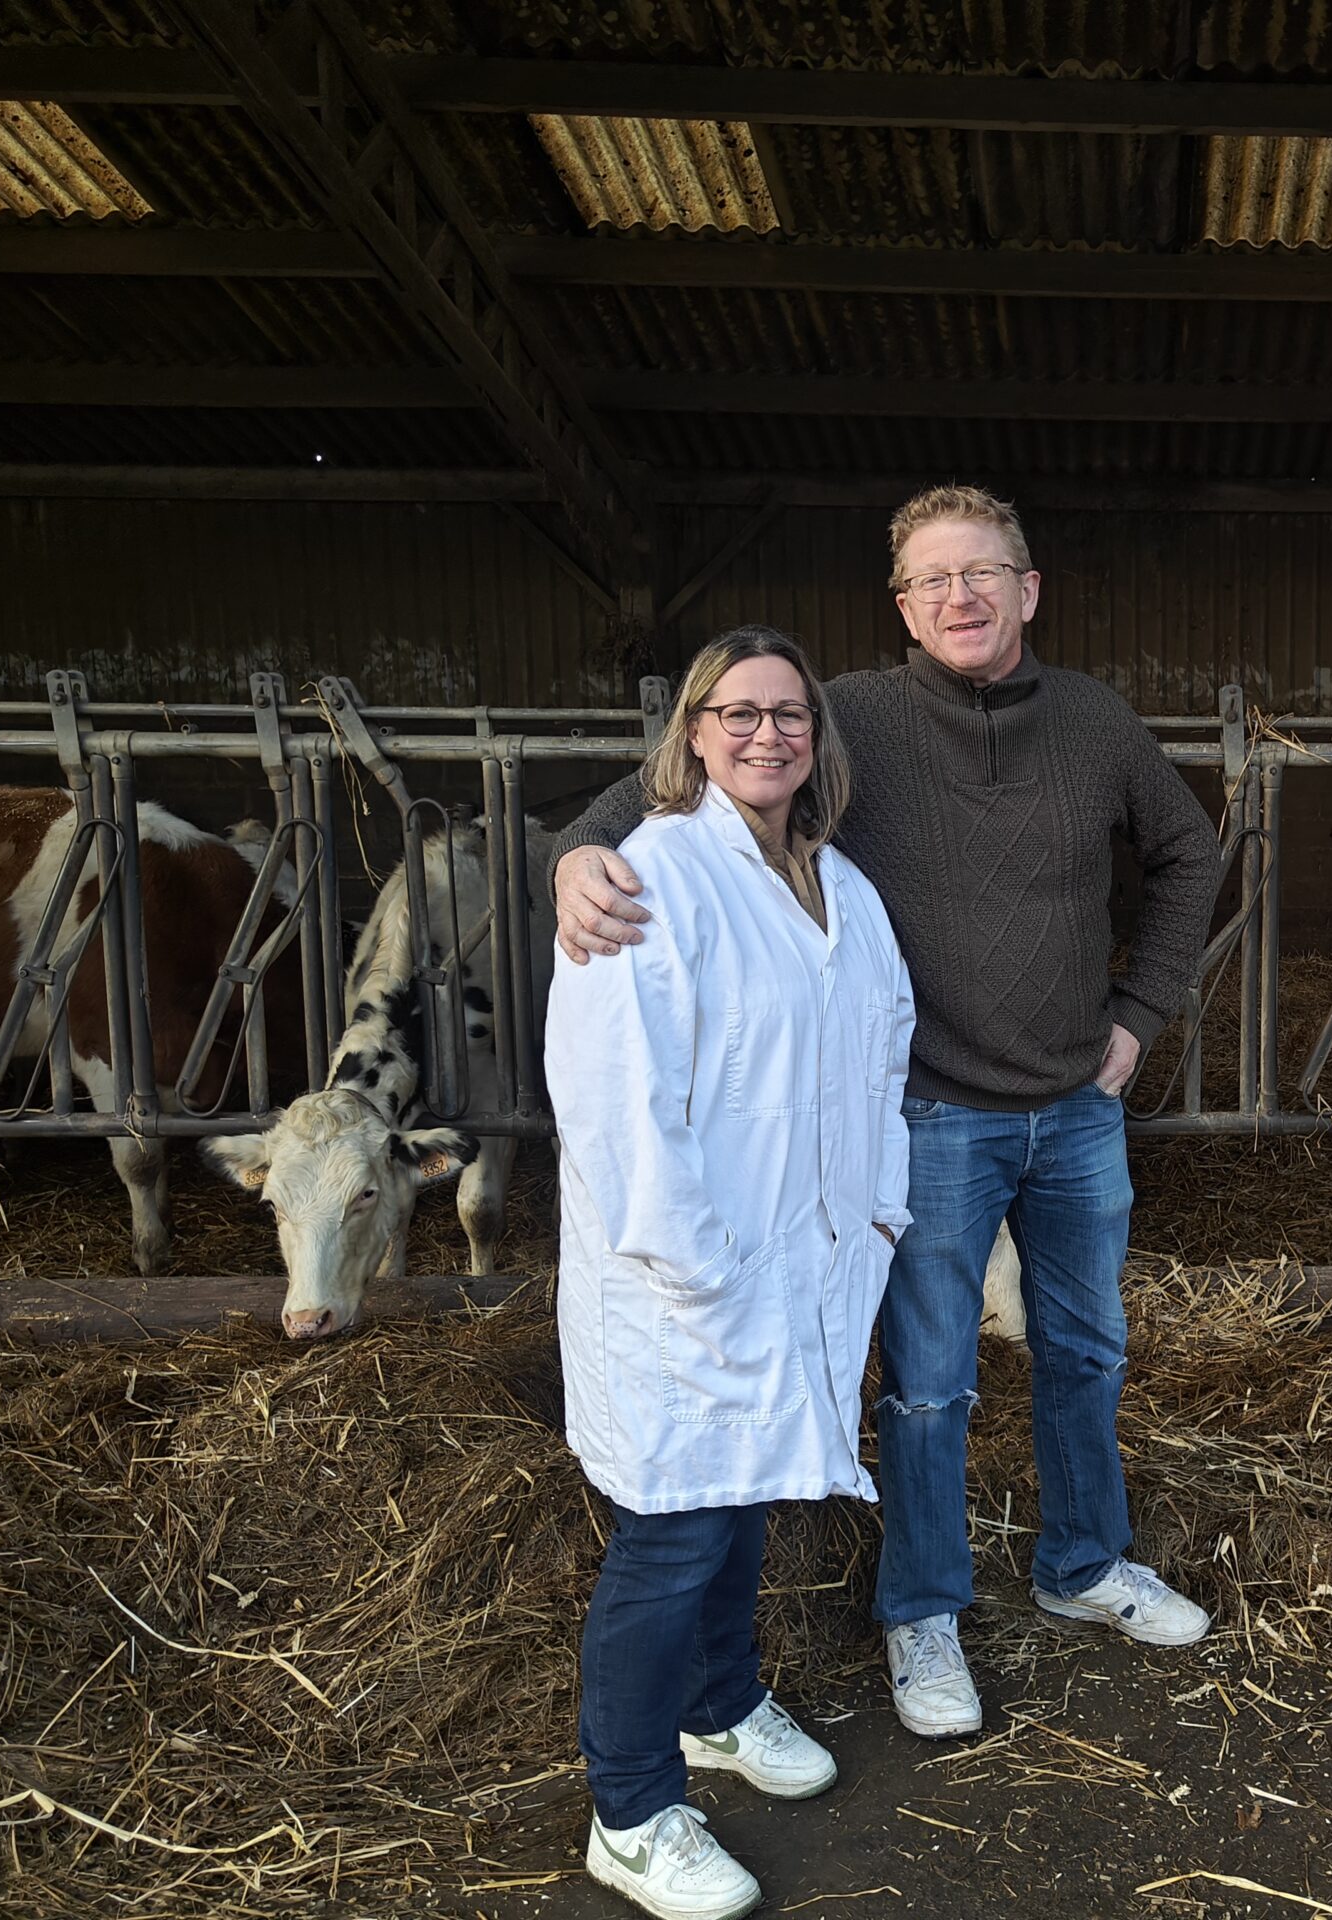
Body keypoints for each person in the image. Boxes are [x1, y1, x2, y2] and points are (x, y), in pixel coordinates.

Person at [553, 485, 1222, 1745]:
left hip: (1078, 1108)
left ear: (1030, 588)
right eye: (931, 580)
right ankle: (923, 1610)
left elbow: (1190, 849)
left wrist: (1142, 1011)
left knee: (1086, 1351)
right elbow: (634, 803)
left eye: (984, 573)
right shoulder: (839, 715)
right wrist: (575, 861)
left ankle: (1082, 1565)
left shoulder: (1094, 723)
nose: (959, 597)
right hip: (932, 1117)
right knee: (928, 1383)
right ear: (900, 606)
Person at [548, 627, 915, 1920]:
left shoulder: (842, 893)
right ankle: (632, 1806)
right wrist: (689, 1261)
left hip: (805, 1268)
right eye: (740, 712)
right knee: (673, 1532)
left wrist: (880, 1211)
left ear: (818, 739)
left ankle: (717, 1706)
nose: (769, 733)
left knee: (745, 1501)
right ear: (694, 734)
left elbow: (882, 1056)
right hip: (686, 1280)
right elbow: (612, 1097)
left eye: (791, 714)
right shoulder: (652, 877)